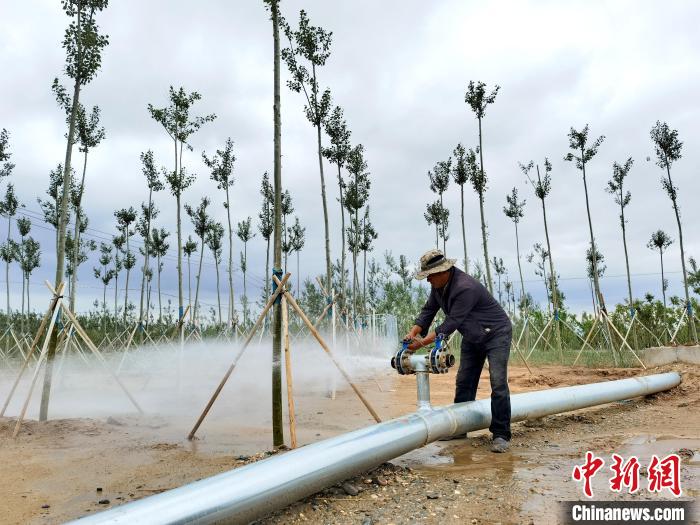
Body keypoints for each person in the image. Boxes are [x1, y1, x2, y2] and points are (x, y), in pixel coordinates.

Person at [403, 249, 513, 453]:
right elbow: (428, 311)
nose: (428, 281)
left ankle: (501, 434)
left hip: (496, 334)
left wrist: (421, 344)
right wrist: (413, 333)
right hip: (472, 335)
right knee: (464, 382)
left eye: (430, 276)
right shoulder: (439, 287)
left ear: (443, 271)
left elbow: (451, 322)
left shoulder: (465, 287)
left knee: (498, 383)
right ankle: (460, 428)